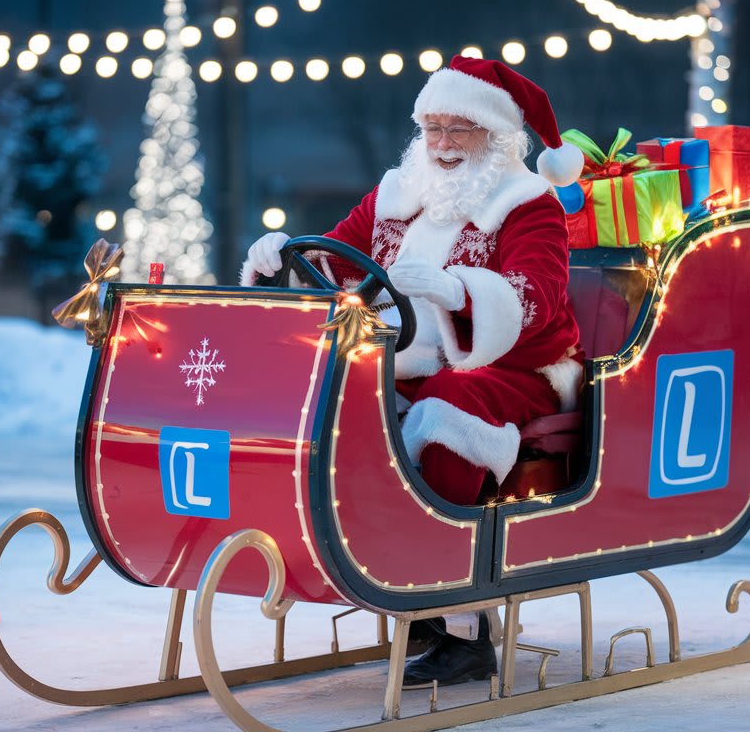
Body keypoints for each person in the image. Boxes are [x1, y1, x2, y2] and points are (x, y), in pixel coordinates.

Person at [240, 56, 585, 687]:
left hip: (512, 366)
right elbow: (338, 259)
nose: (443, 144)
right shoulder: (397, 193)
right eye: (433, 128)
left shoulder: (529, 203)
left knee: (448, 405)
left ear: (495, 135)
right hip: (406, 359)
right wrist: (285, 256)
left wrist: (459, 291)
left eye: (460, 129)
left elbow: (537, 297)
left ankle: (464, 628)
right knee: (334, 394)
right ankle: (372, 567)